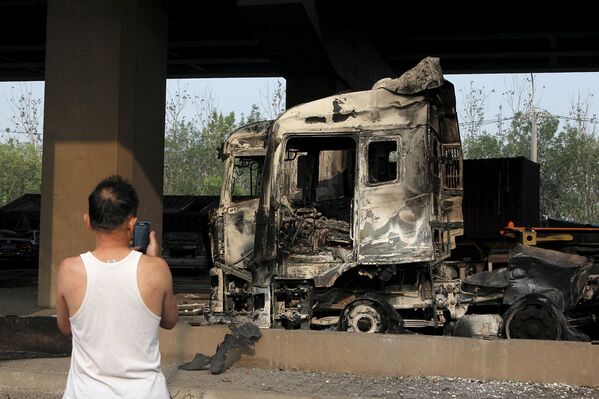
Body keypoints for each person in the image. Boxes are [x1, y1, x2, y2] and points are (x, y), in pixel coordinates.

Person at [55, 175, 178, 399]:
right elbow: (170, 321)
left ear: (88, 221)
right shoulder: (157, 269)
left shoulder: (69, 270)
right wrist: (154, 260)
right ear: (132, 224)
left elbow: (66, 328)